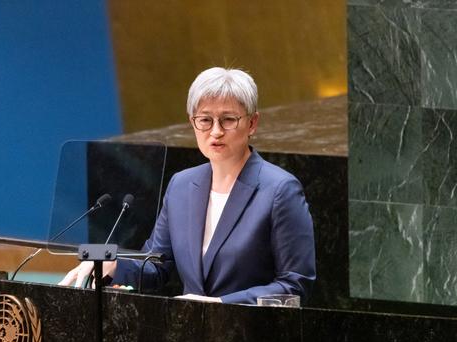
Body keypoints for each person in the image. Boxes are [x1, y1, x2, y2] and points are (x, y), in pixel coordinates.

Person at [59, 67, 315, 305]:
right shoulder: (182, 185)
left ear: (252, 123)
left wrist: (221, 305)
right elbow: (157, 264)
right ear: (192, 122)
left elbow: (295, 285)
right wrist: (113, 264)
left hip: (251, 340)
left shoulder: (280, 189)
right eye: (205, 120)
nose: (215, 131)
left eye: (228, 120)